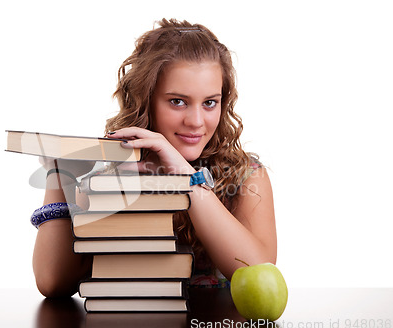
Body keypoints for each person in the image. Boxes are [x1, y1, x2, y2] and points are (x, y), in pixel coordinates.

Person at [32, 18, 277, 297]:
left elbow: (260, 271)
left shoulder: (246, 175)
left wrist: (186, 177)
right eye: (177, 101)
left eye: (210, 102)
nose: (196, 121)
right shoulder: (107, 179)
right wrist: (58, 174)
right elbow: (53, 282)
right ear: (146, 100)